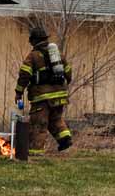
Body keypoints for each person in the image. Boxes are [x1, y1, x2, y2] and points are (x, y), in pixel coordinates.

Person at [14, 26, 73, 157]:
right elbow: (68, 72)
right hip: (60, 96)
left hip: (42, 97)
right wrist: (63, 85)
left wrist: (18, 92)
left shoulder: (33, 56)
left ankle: (35, 152)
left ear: (34, 40)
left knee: (38, 124)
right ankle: (65, 139)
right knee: (55, 119)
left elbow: (24, 75)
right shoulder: (58, 55)